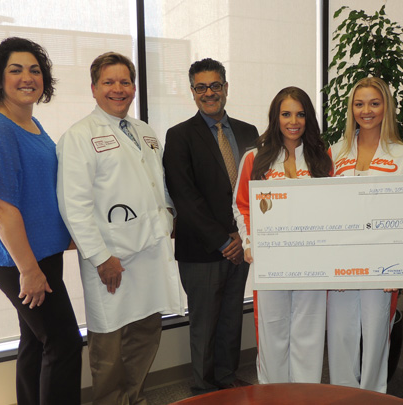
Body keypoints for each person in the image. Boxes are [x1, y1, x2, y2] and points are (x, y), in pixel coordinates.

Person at [56, 52, 184, 405]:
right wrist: (100, 257)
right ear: (94, 88)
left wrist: (169, 215)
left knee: (145, 335)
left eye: (125, 82)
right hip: (112, 260)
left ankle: (136, 398)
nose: (118, 89)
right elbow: (74, 205)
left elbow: (160, 183)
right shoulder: (79, 137)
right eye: (109, 82)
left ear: (134, 87)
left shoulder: (144, 131)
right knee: (110, 348)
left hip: (150, 251)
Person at [0, 37, 82, 405]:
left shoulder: (31, 123)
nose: (27, 77)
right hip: (20, 259)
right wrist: (29, 270)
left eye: (35, 70)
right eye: (15, 69)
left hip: (41, 254)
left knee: (36, 340)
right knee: (64, 342)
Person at [163, 58, 259, 395]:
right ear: (192, 92)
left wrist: (243, 237)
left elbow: (255, 188)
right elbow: (185, 197)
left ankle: (226, 379)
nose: (209, 92)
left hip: (241, 244)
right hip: (203, 249)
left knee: (232, 317)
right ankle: (204, 391)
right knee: (204, 325)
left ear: (226, 88)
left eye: (215, 85)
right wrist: (223, 240)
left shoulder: (249, 133)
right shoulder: (179, 136)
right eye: (201, 87)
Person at [232, 86, 332, 383]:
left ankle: (305, 398)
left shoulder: (322, 159)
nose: (293, 121)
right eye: (286, 113)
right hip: (271, 262)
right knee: (272, 332)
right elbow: (242, 206)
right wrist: (249, 242)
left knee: (309, 335)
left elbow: (333, 207)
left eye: (300, 114)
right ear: (275, 117)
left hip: (312, 262)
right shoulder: (255, 158)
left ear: (308, 118)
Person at [327, 76, 403, 393]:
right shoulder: (334, 153)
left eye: (374, 103)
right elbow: (323, 209)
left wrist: (400, 263)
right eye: (360, 103)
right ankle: (342, 396)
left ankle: (374, 397)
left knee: (377, 335)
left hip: (382, 264)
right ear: (351, 109)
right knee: (340, 336)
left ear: (385, 108)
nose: (367, 111)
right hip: (341, 261)